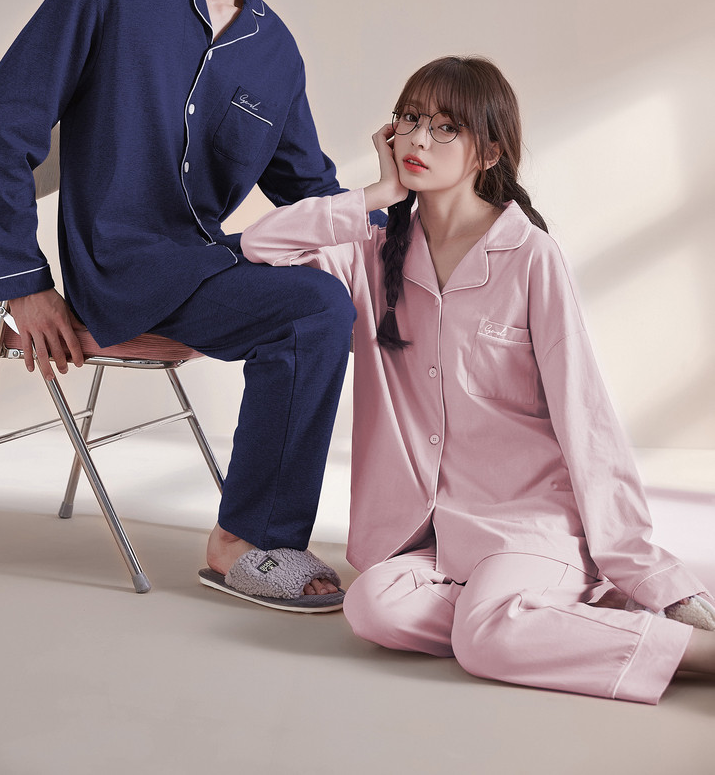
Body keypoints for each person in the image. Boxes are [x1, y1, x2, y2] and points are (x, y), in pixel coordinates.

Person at [0, 0, 360, 610]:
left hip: (202, 267)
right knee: (316, 307)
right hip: (119, 269)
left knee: (342, 291)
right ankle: (245, 543)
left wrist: (435, 215)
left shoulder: (274, 51)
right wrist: (22, 283)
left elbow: (309, 188)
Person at [241, 55, 715, 699]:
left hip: (530, 523)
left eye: (445, 128)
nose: (418, 140)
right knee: (373, 606)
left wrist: (644, 570)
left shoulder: (530, 256)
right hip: (436, 538)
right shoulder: (372, 255)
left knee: (485, 637)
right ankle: (550, 619)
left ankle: (694, 653)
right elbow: (262, 245)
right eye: (410, 120)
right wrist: (378, 195)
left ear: (489, 153)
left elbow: (586, 416)